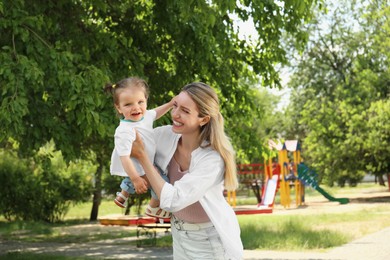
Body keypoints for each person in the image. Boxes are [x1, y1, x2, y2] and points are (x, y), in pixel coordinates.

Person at [131, 82, 244, 259]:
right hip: (179, 234)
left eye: (185, 111)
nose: (175, 114)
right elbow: (130, 134)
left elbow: (174, 200)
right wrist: (155, 106)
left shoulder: (212, 160)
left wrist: (143, 158)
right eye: (175, 106)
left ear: (204, 119)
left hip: (209, 241)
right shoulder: (166, 136)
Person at [105, 77, 173, 219]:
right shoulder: (124, 130)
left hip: (146, 161)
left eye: (140, 102)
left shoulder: (144, 116)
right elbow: (124, 158)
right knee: (161, 182)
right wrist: (136, 178)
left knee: (153, 175)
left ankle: (123, 194)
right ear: (119, 107)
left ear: (146, 100)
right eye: (128, 104)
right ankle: (153, 208)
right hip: (138, 167)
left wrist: (171, 104)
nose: (136, 107)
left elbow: (156, 113)